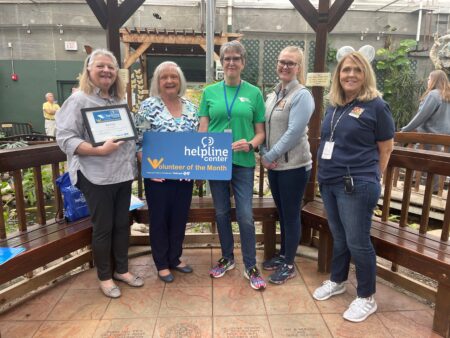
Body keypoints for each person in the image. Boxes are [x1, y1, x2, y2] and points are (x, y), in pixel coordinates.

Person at [313, 51, 395, 322]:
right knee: (340, 236)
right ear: (339, 75)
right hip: (330, 182)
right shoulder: (335, 105)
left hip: (357, 184)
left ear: (365, 75)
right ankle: (337, 280)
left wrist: (374, 177)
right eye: (346, 69)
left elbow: (386, 148)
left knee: (358, 242)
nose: (350, 75)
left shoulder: (376, 106)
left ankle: (366, 296)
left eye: (357, 70)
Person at [56, 49, 144, 299]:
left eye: (111, 67)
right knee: (103, 227)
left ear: (117, 73)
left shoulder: (119, 100)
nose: (106, 71)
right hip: (96, 176)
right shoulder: (78, 100)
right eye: (101, 66)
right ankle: (105, 277)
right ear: (88, 70)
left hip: (122, 174)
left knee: (121, 224)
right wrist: (97, 150)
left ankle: (122, 271)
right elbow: (64, 139)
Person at [198, 40, 266, 290]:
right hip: (215, 163)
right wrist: (198, 161)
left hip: (243, 163)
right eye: (227, 58)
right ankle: (227, 258)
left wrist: (250, 144)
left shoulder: (254, 93)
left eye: (236, 58)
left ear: (243, 63)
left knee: (246, 216)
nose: (231, 62)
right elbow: (202, 129)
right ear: (221, 62)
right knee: (222, 213)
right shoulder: (209, 92)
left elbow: (261, 133)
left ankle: (250, 265)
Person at [135, 61, 198, 283]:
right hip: (158, 175)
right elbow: (138, 142)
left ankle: (175, 257)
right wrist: (150, 168)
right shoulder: (147, 106)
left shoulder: (191, 107)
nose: (169, 81)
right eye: (164, 77)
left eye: (174, 76)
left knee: (180, 218)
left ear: (180, 80)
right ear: (157, 82)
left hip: (184, 175)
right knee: (159, 219)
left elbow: (197, 141)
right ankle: (161, 263)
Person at [260, 46, 315, 284]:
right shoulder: (273, 94)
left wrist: (269, 154)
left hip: (293, 167)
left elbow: (294, 132)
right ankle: (283, 256)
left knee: (291, 215)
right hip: (275, 166)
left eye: (291, 63)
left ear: (299, 68)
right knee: (282, 212)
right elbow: (263, 125)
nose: (285, 66)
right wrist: (264, 152)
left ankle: (289, 263)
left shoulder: (302, 95)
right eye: (282, 61)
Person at [401, 69, 450, 134]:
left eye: (429, 79)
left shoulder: (434, 95)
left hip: (431, 139)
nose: (428, 81)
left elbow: (421, 116)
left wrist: (405, 129)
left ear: (434, 81)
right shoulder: (447, 95)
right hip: (446, 140)